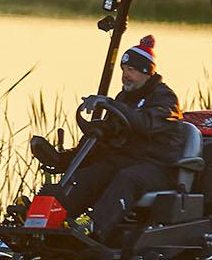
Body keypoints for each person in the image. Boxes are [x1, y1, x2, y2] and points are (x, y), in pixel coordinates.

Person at [29, 35, 183, 243]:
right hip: (129, 160)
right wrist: (99, 128)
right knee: (90, 173)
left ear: (147, 72)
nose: (125, 76)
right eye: (124, 70)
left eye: (131, 70)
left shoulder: (165, 98)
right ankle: (48, 217)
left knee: (127, 178)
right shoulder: (126, 97)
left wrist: (112, 104)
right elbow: (115, 131)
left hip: (158, 166)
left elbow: (145, 124)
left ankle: (92, 226)